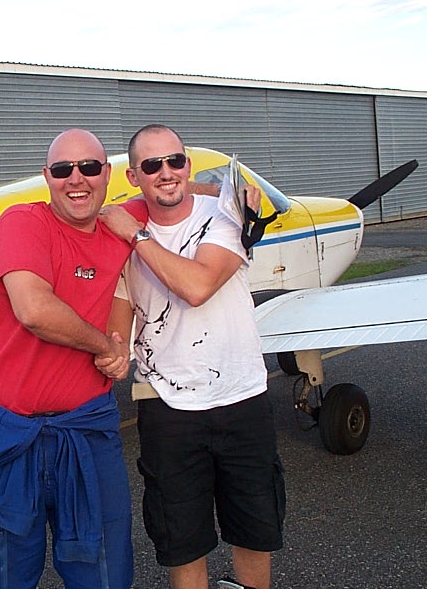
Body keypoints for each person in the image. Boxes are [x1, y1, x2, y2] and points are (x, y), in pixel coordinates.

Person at [97, 124, 286, 589]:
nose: (166, 173)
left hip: (241, 397)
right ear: (133, 175)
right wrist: (114, 349)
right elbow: (120, 313)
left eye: (175, 162)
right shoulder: (121, 232)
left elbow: (198, 286)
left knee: (254, 529)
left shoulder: (223, 217)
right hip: (168, 408)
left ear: (188, 165)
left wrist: (137, 234)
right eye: (152, 165)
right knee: (182, 539)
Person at [0, 128, 138, 589]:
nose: (77, 179)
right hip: (5, 428)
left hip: (85, 427)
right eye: (63, 170)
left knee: (105, 569)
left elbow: (168, 184)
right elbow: (35, 311)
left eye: (90, 168)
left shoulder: (119, 224)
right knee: (2, 572)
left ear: (108, 174)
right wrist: (107, 347)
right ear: (47, 177)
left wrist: (230, 189)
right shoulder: (22, 222)